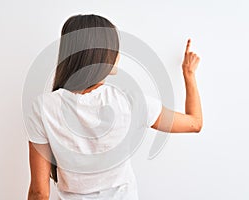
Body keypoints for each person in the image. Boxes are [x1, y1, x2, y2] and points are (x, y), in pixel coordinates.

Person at [26, 14, 202, 200]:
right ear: (103, 54)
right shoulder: (131, 101)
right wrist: (189, 74)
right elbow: (194, 123)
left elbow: (39, 193)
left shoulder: (43, 107)